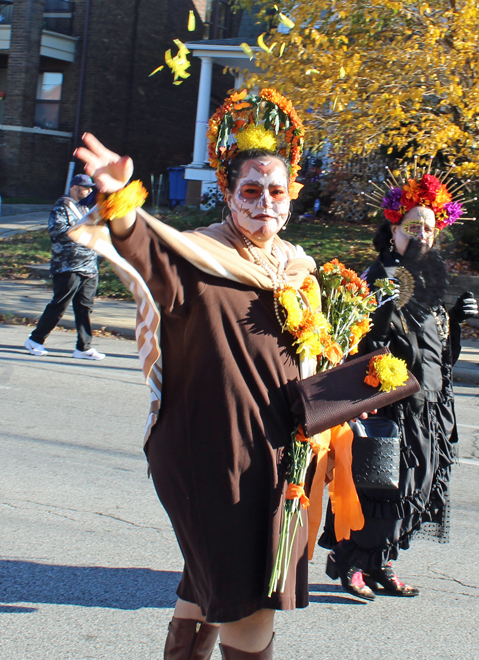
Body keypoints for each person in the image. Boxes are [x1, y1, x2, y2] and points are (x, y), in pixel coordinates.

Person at [73, 90, 319, 660]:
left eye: (275, 192)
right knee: (248, 603)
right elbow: (148, 253)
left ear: (292, 198)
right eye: (250, 191)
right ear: (228, 195)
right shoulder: (200, 258)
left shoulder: (298, 269)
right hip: (210, 453)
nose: (263, 202)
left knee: (207, 579)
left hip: (275, 452)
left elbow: (311, 355)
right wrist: (121, 201)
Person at [319, 169, 478, 601]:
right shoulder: (380, 275)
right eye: (413, 227)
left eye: (428, 228)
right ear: (394, 230)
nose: (422, 234)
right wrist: (381, 318)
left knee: (414, 486)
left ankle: (382, 564)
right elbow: (353, 342)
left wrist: (457, 323)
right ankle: (349, 561)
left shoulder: (430, 277)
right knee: (375, 485)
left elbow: (438, 353)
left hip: (428, 404)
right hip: (387, 402)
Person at [24, 174, 105, 360]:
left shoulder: (85, 207)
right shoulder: (62, 206)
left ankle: (83, 348)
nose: (90, 191)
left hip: (89, 266)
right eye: (86, 188)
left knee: (85, 307)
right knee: (59, 305)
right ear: (75, 187)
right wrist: (83, 229)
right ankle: (35, 340)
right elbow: (56, 231)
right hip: (67, 266)